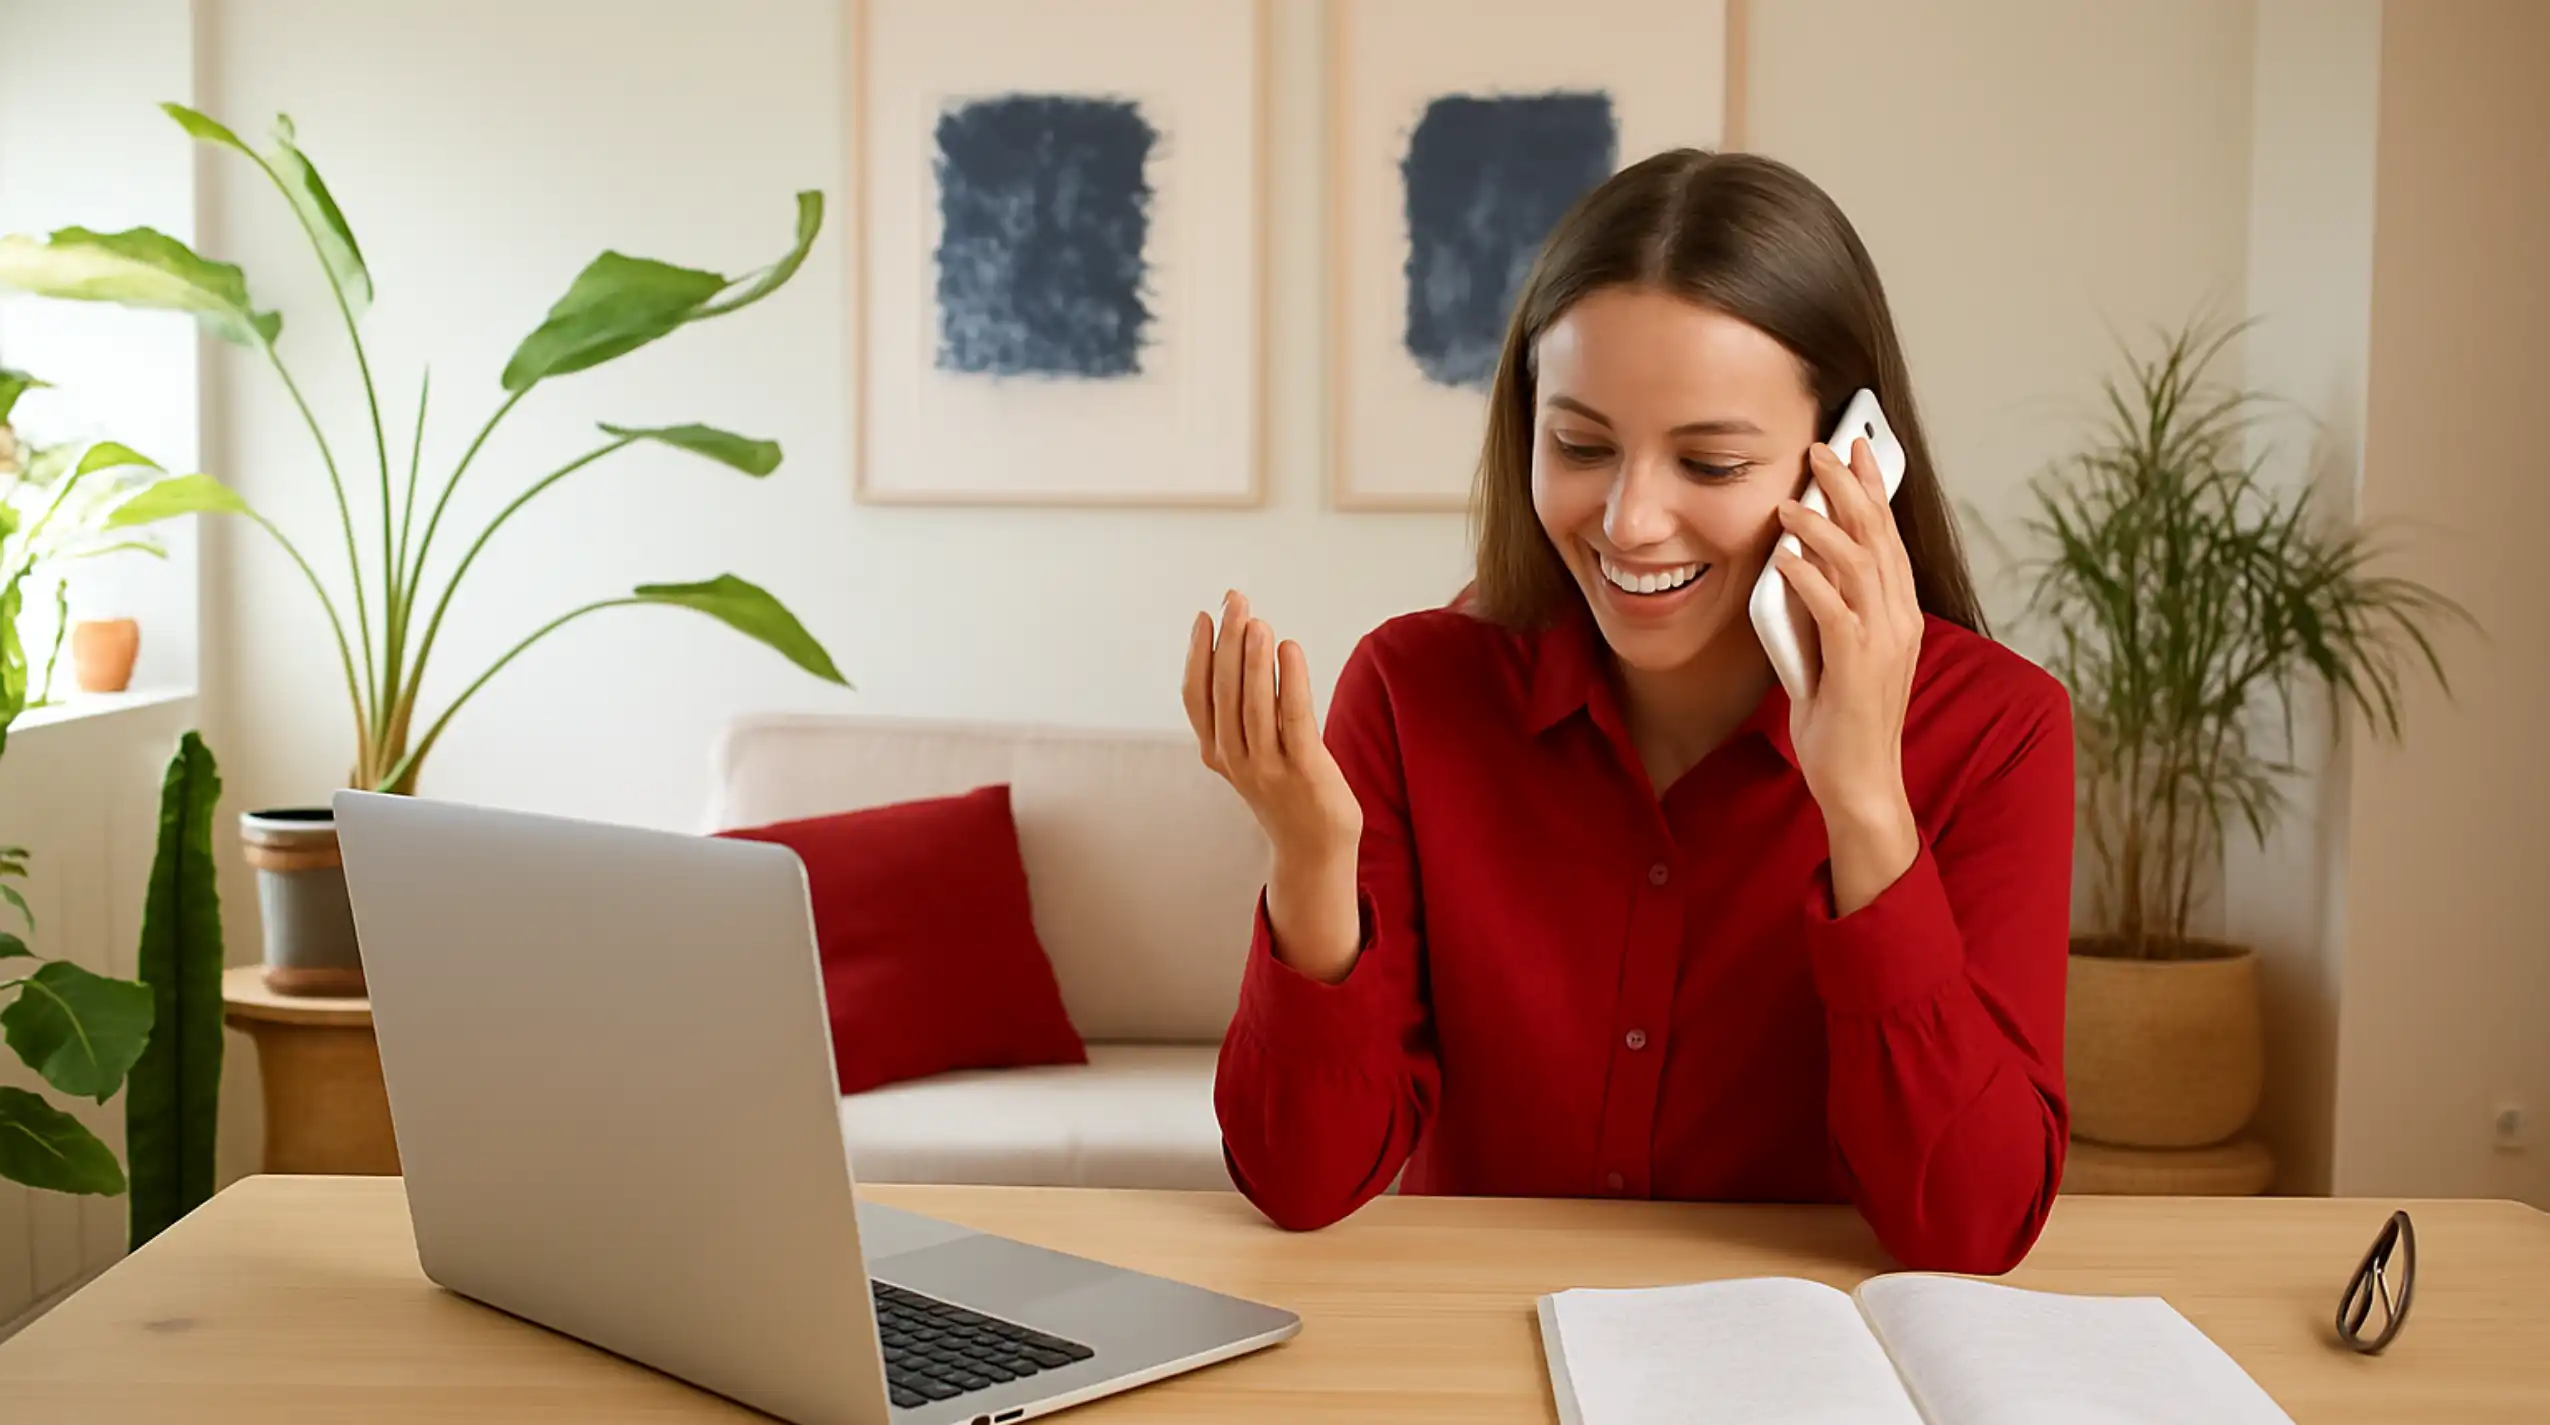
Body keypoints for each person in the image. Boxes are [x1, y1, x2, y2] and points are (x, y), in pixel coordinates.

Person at [1180, 149, 2074, 1275]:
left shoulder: (1999, 731)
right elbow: (1302, 1180)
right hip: (1476, 1345)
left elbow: (1975, 1226)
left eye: (1711, 461)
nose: (1630, 520)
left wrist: (1865, 808)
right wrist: (1312, 863)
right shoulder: (1414, 692)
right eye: (1582, 446)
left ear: (1849, 464)